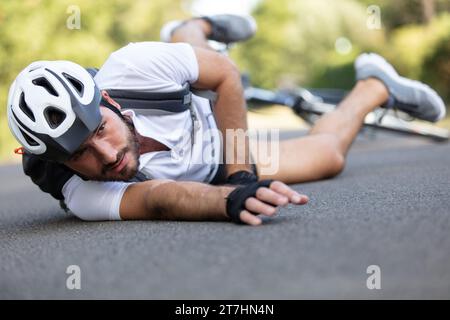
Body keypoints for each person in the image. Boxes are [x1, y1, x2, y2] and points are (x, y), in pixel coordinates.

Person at [7, 15, 446, 226]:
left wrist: (239, 171)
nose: (108, 156)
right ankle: (376, 85)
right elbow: (160, 196)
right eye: (80, 153)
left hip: (208, 124)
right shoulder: (83, 195)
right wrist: (228, 199)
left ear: (106, 100)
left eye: (100, 129)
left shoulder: (133, 67)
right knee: (327, 157)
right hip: (204, 162)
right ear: (63, 164)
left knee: (203, 61)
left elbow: (224, 77)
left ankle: (194, 24)